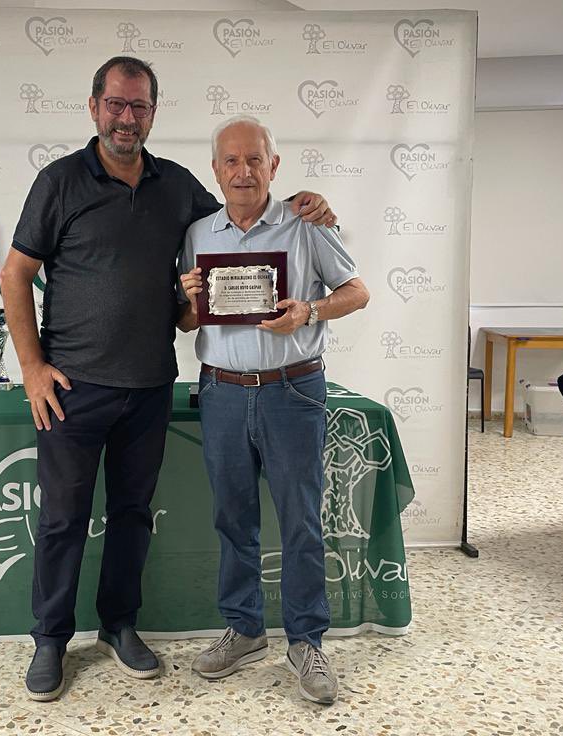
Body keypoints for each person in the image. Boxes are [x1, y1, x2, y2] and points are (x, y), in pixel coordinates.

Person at [0, 56, 339, 702]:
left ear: (153, 113)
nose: (127, 118)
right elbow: (15, 275)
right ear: (94, 106)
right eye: (116, 105)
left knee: (132, 516)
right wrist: (32, 367)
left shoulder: (181, 187)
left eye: (140, 107)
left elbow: (245, 218)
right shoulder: (60, 182)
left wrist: (306, 203)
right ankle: (50, 639)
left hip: (151, 385)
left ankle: (119, 626)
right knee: (64, 519)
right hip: (70, 389)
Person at [177, 115, 370, 705]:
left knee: (301, 520)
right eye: (231, 161)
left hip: (293, 390)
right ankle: (244, 628)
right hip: (223, 390)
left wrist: (307, 312)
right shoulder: (197, 234)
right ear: (215, 170)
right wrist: (184, 304)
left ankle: (307, 639)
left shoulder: (306, 223)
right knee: (233, 519)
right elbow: (188, 322)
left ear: (274, 165)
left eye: (254, 159)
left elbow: (357, 291)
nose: (243, 171)